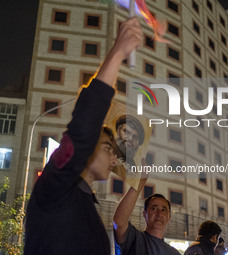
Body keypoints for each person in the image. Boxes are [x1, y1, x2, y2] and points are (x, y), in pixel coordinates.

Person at [24, 17, 143, 255]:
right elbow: (82, 130)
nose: (113, 160)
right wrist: (118, 52)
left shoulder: (86, 204)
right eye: (108, 148)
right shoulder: (56, 187)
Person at [113, 176, 180, 255]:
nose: (159, 214)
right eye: (154, 209)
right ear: (145, 214)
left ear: (169, 217)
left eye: (164, 210)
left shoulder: (174, 253)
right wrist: (141, 180)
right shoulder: (135, 239)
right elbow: (119, 222)